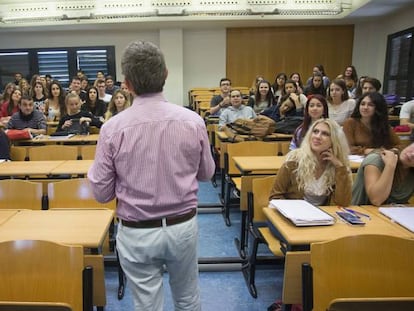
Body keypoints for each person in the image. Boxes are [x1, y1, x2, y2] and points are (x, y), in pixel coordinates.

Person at [88, 40, 215, 311]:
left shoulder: (112, 129)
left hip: (137, 232)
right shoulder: (193, 121)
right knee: (188, 298)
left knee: (146, 305)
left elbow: (101, 194)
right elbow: (207, 174)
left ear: (127, 84)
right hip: (183, 227)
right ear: (166, 74)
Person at [269, 118, 352, 207]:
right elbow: (275, 196)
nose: (317, 137)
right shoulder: (294, 160)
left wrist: (339, 167)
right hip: (293, 213)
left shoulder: (339, 166)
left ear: (334, 140)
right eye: (315, 131)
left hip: (321, 216)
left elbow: (343, 203)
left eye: (325, 134)